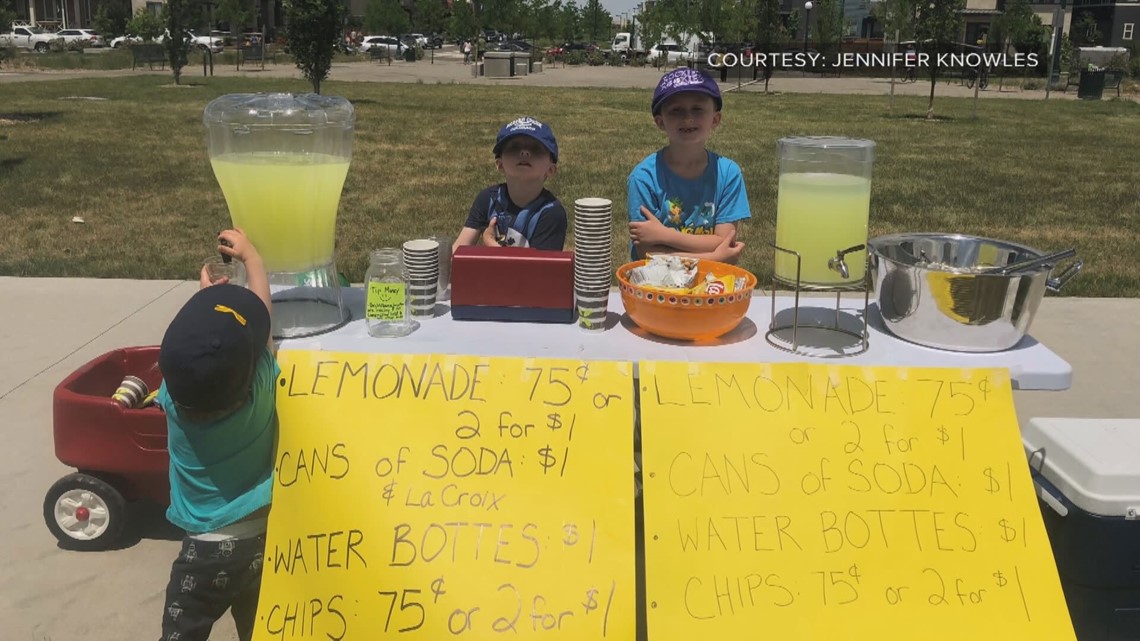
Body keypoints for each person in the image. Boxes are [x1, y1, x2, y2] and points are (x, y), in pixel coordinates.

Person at [155, 228, 278, 641]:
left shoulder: (171, 400)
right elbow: (264, 330)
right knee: (260, 630)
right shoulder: (261, 391)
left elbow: (191, 358)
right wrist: (253, 260)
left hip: (202, 555)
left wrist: (206, 301)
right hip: (262, 542)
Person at [626, 68, 749, 263]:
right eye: (676, 110)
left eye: (697, 109)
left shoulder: (728, 174)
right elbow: (647, 254)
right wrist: (715, 257)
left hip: (712, 284)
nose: (688, 118)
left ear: (715, 119)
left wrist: (665, 236)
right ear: (660, 122)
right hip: (657, 286)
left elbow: (726, 241)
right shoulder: (644, 177)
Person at [453, 116, 567, 252]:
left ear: (551, 169)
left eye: (536, 149)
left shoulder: (551, 213)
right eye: (514, 147)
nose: (524, 152)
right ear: (500, 165)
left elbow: (539, 270)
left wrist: (491, 245)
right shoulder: (489, 199)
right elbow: (456, 254)